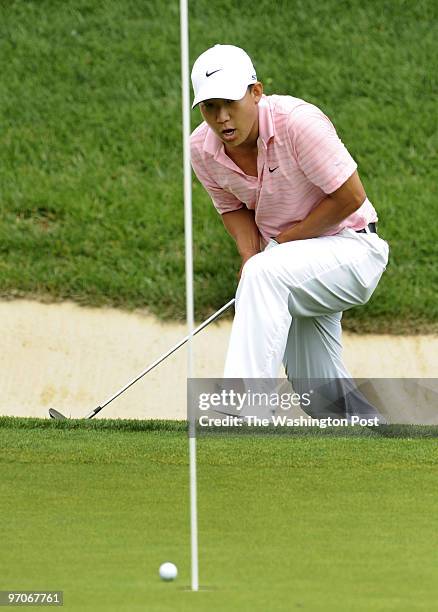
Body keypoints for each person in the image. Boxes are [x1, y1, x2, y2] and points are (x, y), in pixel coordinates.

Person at [190, 44, 389, 418]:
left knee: (265, 274)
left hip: (353, 250)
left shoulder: (297, 122)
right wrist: (251, 255)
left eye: (230, 102)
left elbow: (349, 197)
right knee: (320, 394)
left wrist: (276, 249)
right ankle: (372, 433)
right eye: (210, 106)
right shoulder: (201, 148)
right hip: (291, 269)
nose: (221, 117)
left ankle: (246, 407)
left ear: (256, 92)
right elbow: (232, 208)